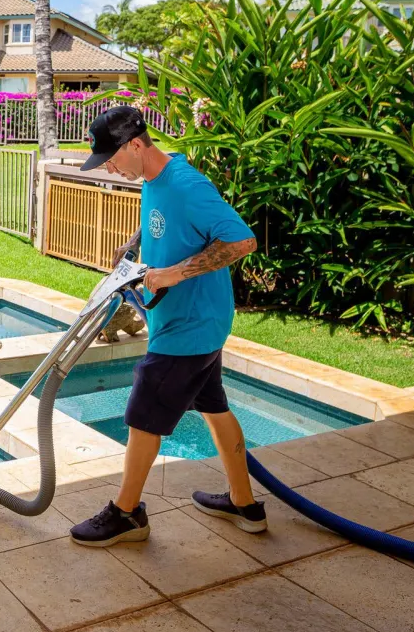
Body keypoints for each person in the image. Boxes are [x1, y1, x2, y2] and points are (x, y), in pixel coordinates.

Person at [69, 104, 266, 547]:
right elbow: (170, 224)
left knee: (144, 414)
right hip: (191, 321)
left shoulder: (185, 184)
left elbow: (242, 241)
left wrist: (173, 273)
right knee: (213, 407)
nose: (110, 169)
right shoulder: (154, 178)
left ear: (135, 145)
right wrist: (133, 244)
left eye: (111, 159)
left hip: (190, 325)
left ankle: (126, 513)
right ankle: (245, 504)